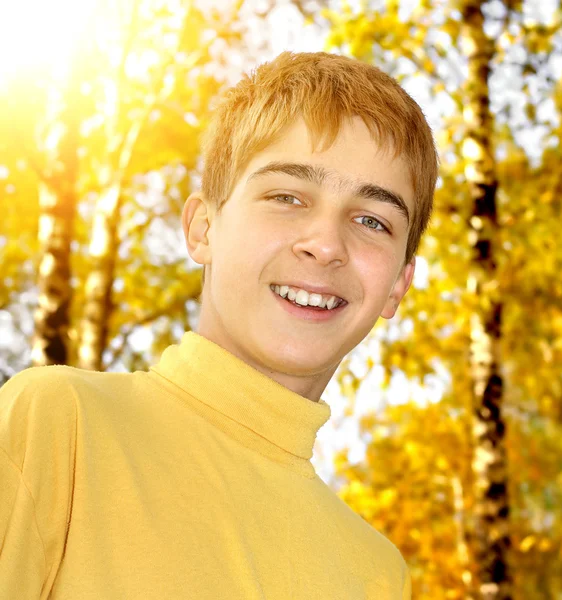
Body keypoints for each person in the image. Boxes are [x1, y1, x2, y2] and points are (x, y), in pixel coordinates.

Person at [0, 51, 438, 599]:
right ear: (203, 228)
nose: (326, 245)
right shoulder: (57, 425)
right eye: (287, 197)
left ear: (399, 283)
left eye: (372, 220)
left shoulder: (377, 575)